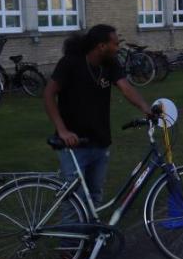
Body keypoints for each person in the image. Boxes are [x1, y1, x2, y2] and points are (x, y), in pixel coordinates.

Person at [44, 24, 152, 206]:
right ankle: (71, 226)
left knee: (95, 196)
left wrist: (146, 108)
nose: (118, 48)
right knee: (74, 203)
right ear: (101, 46)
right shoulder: (71, 62)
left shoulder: (110, 64)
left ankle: (92, 226)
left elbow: (125, 88)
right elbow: (48, 94)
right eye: (115, 44)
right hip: (74, 145)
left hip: (100, 142)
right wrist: (62, 130)